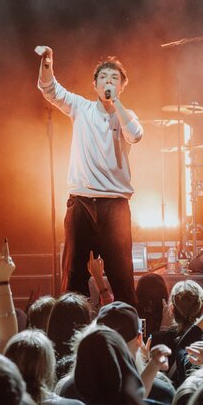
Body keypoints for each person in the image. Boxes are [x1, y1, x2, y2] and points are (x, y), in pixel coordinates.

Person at [37, 47, 143, 304]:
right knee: (73, 275)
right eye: (104, 78)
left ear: (122, 87)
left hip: (115, 205)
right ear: (94, 84)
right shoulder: (80, 107)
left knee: (121, 274)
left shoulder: (126, 115)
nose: (108, 82)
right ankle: (72, 330)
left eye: (114, 79)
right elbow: (50, 90)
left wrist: (115, 103)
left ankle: (128, 332)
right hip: (81, 202)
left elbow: (135, 135)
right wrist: (47, 62)